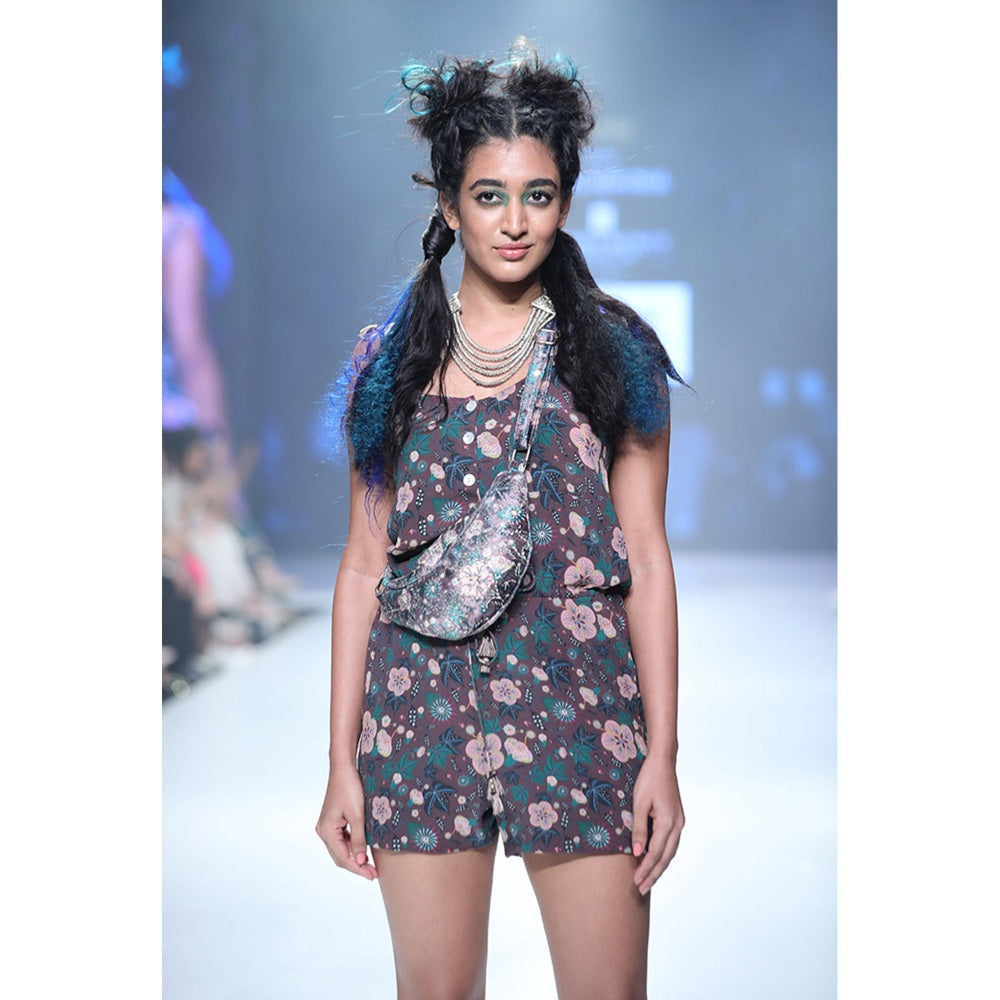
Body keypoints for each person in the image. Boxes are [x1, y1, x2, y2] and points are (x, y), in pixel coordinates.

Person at [316, 40, 685, 999]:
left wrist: (663, 756)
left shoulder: (615, 353)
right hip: (420, 710)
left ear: (565, 202)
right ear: (449, 205)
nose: (515, 222)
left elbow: (646, 557)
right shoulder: (390, 364)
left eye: (538, 195)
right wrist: (340, 763)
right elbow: (362, 566)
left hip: (581, 704)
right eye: (489, 195)